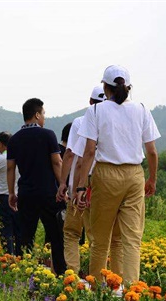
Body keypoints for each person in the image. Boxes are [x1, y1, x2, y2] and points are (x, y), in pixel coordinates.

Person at [75, 65, 160, 285]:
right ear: (128, 87)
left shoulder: (95, 111)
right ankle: (132, 290)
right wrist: (152, 179)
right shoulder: (141, 109)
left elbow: (90, 151)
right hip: (134, 175)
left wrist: (82, 186)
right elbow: (151, 151)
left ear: (105, 86)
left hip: (106, 175)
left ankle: (98, 290)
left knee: (101, 239)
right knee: (131, 239)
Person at [56, 86, 123, 276]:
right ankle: (103, 277)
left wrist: (65, 183)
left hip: (81, 181)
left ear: (90, 102)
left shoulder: (80, 121)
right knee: (99, 236)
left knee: (71, 232)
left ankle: (72, 274)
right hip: (106, 183)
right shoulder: (116, 120)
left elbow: (71, 155)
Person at [7, 98, 66, 275]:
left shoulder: (14, 139)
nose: (44, 118)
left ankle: (24, 273)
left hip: (26, 193)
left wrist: (12, 193)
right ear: (37, 114)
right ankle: (61, 274)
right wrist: (62, 185)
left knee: (26, 236)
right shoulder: (48, 135)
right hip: (49, 193)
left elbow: (10, 167)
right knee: (56, 236)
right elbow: (57, 163)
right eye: (44, 114)